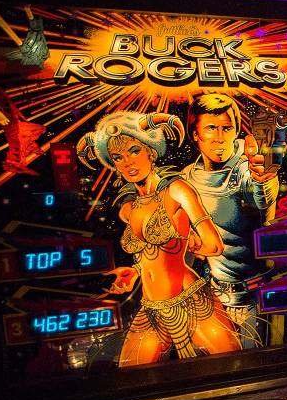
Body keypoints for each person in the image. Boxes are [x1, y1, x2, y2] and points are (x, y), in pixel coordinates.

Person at [77, 111, 241, 365]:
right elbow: (149, 255)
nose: (127, 162)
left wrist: (192, 242)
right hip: (152, 308)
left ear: (151, 151)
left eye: (134, 151)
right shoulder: (129, 207)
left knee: (232, 370)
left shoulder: (176, 190)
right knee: (132, 378)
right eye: (118, 157)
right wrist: (135, 270)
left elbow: (213, 243)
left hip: (191, 300)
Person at [182, 93, 280, 347]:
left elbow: (261, 197)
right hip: (213, 293)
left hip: (254, 294)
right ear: (195, 134)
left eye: (227, 128)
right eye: (211, 128)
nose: (220, 137)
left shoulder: (245, 167)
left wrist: (263, 177)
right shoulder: (188, 177)